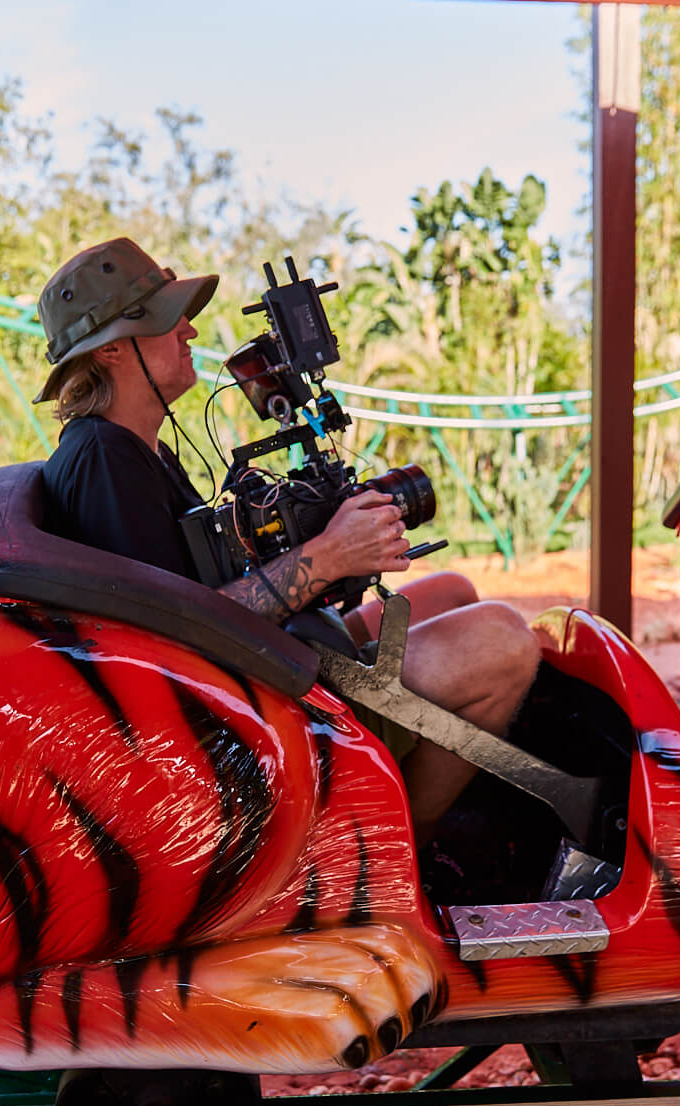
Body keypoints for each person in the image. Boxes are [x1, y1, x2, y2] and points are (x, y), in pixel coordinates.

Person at [34, 237, 540, 828]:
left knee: (452, 589)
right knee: (503, 643)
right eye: (170, 322)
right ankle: (396, 858)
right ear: (115, 350)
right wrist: (324, 558)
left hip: (263, 660)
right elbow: (173, 644)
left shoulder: (133, 450)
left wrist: (320, 548)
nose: (189, 334)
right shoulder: (103, 464)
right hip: (248, 716)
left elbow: (191, 592)